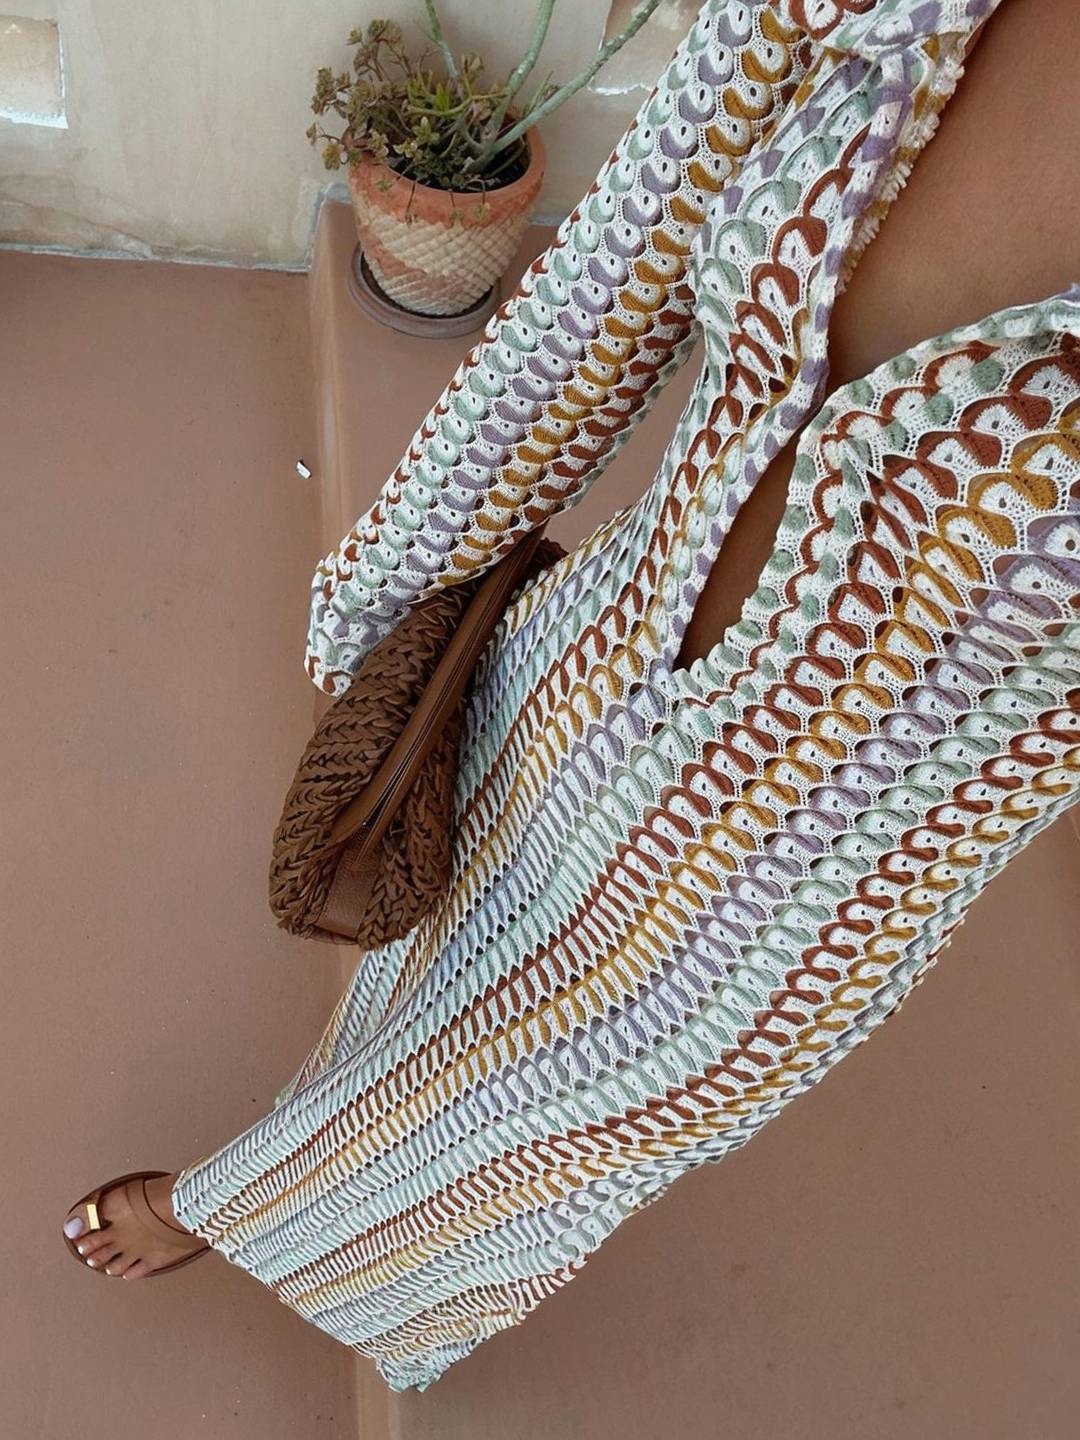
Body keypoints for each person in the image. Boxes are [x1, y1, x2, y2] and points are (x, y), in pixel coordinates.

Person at [62, 0, 1080, 1393]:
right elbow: (608, 290)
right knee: (409, 971)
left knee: (492, 1141)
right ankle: (281, 1176)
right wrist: (378, 628)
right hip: (573, 671)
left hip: (770, 911)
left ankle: (231, 1213)